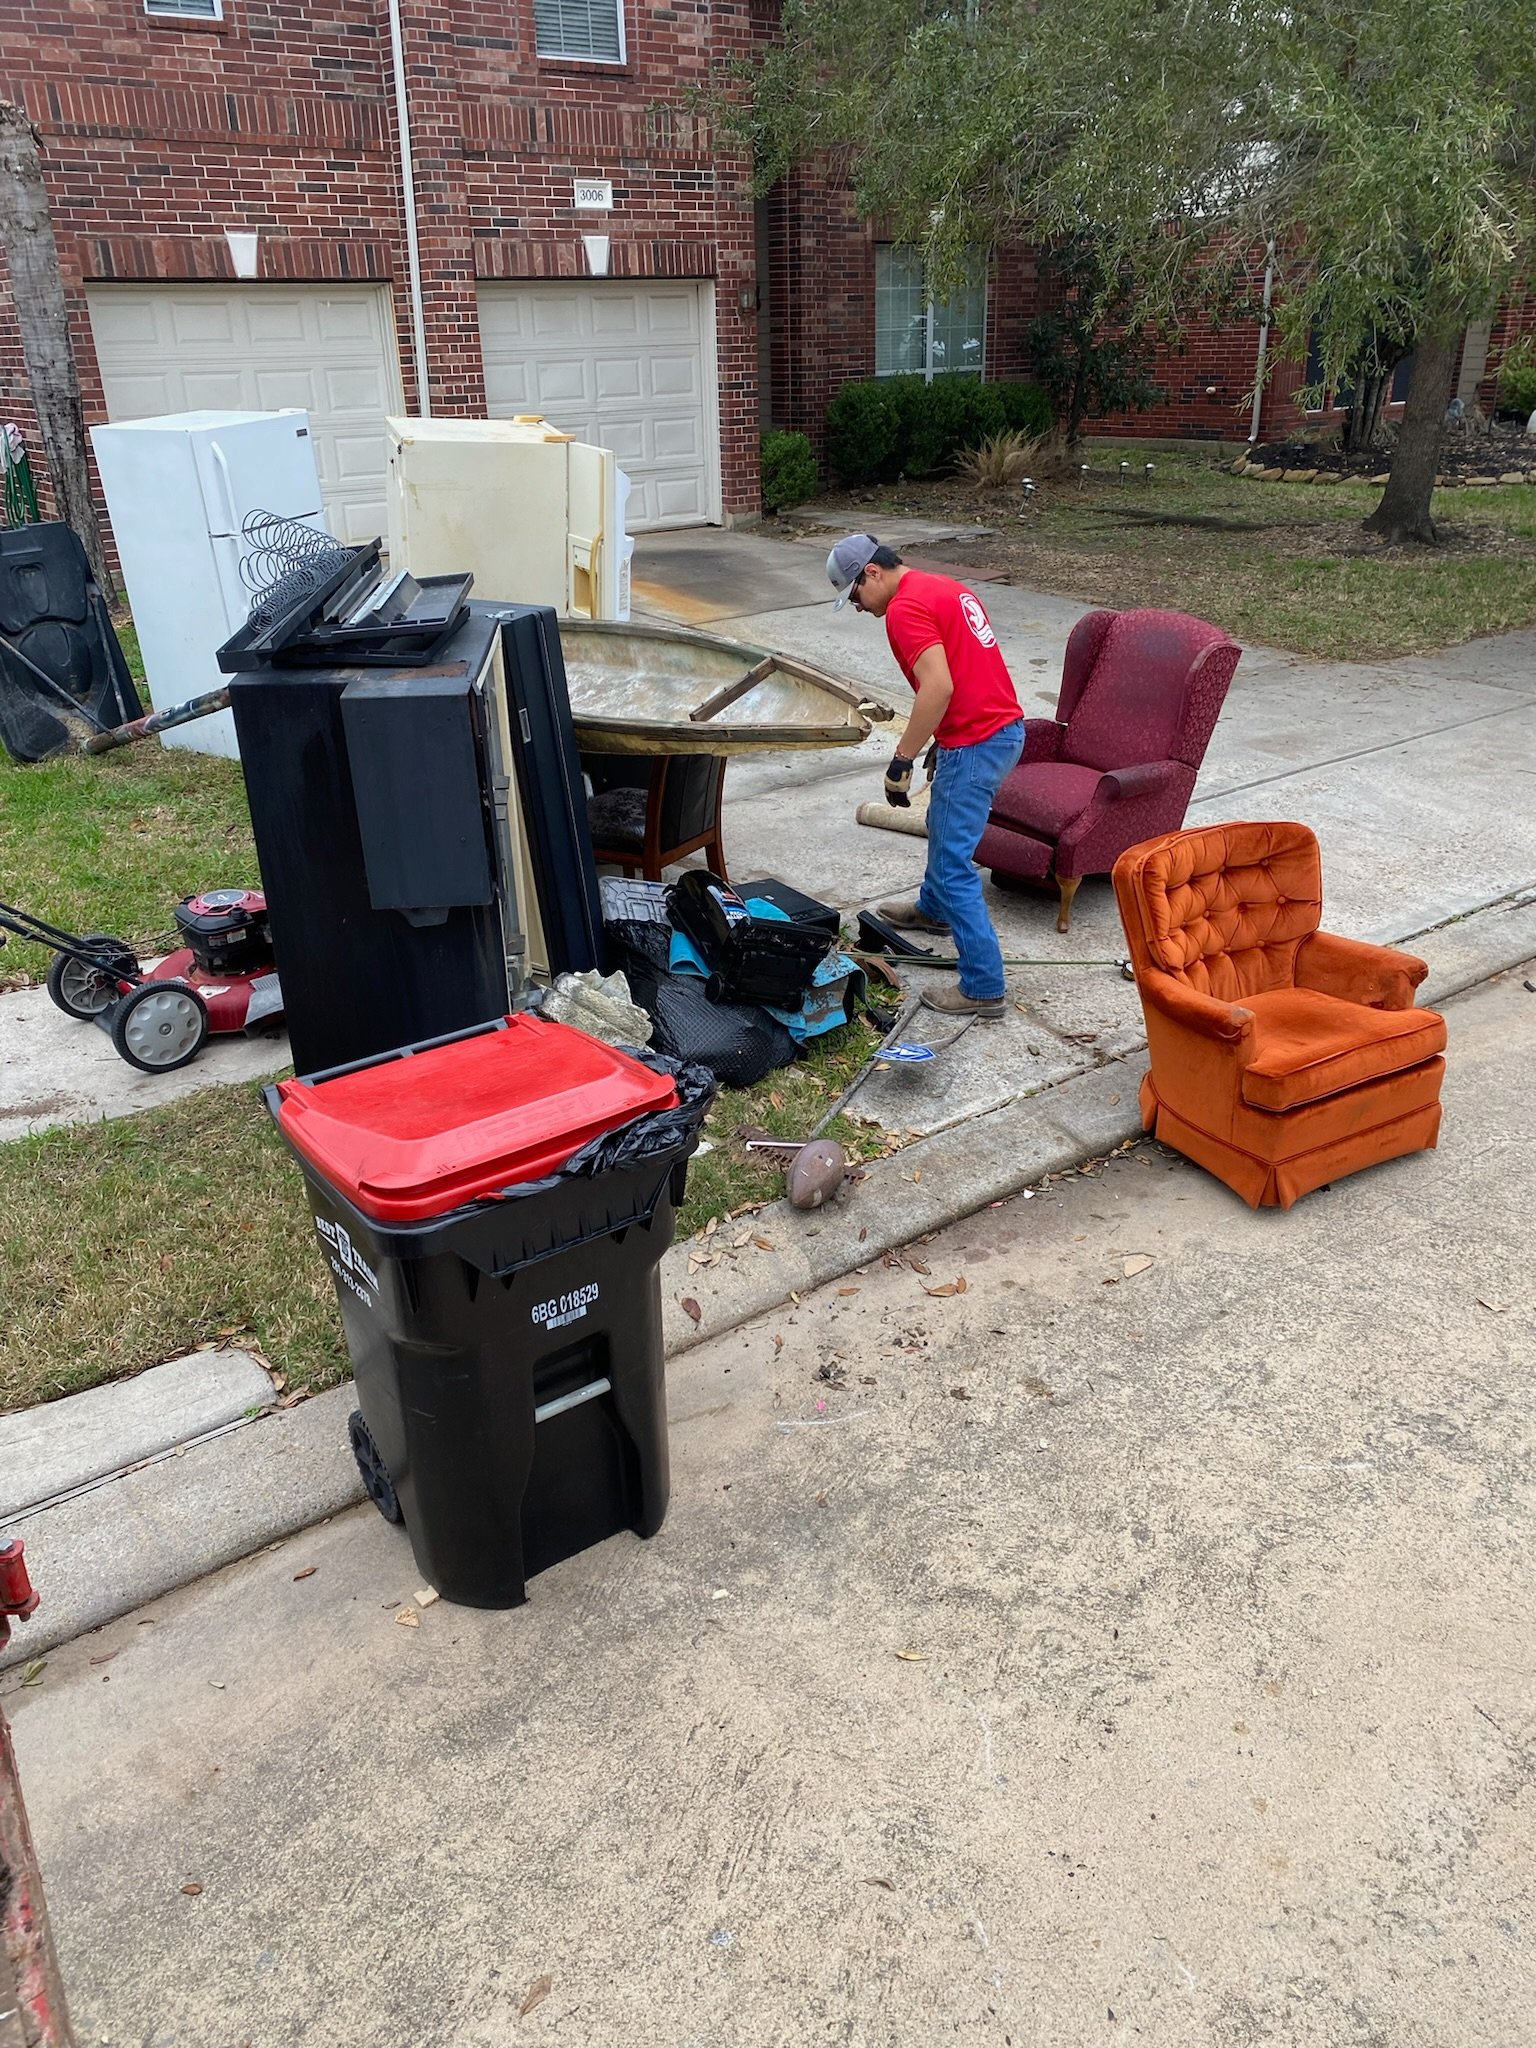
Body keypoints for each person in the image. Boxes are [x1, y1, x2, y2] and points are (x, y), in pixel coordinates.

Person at [827, 533, 1024, 1018]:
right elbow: (969, 669)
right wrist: (941, 737)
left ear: (872, 572)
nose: (858, 607)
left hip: (977, 742)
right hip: (1000, 730)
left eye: (855, 594)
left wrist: (903, 757)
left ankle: (984, 987)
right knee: (942, 824)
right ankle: (933, 911)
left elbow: (938, 685)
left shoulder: (904, 609)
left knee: (954, 866)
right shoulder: (943, 587)